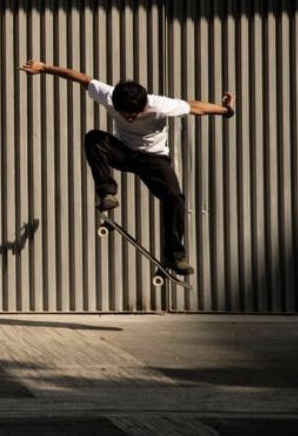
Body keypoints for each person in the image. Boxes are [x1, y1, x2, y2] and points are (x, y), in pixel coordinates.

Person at [17, 60, 235, 276]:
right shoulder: (109, 95)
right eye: (124, 114)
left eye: (134, 114)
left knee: (175, 199)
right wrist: (45, 68)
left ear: (144, 106)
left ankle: (174, 254)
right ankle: (107, 193)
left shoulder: (159, 104)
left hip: (154, 160)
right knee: (94, 138)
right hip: (123, 153)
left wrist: (225, 110)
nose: (129, 119)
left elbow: (196, 108)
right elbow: (81, 78)